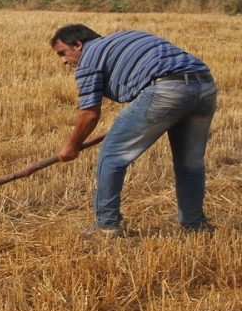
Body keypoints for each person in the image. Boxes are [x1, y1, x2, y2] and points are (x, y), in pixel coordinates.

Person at [50, 24, 217, 237]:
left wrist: (71, 146)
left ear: (78, 44)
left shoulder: (89, 59)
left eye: (63, 53)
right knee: (190, 162)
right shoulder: (125, 38)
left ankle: (106, 227)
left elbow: (89, 114)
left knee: (112, 155)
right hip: (204, 84)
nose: (63, 61)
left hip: (166, 89)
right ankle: (195, 225)